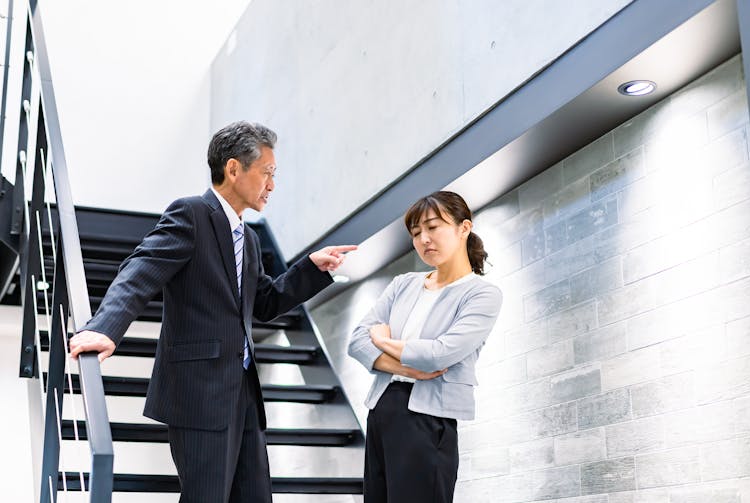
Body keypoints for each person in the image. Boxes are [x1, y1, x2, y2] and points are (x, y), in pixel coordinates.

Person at [69, 121, 356, 503]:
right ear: (234, 169)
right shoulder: (191, 214)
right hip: (199, 393)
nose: (273, 185)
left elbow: (264, 302)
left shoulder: (249, 238)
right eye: (267, 173)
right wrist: (105, 327)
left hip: (243, 395)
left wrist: (310, 270)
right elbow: (139, 272)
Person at [347, 190, 502, 503]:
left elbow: (439, 354)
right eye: (416, 233)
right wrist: (403, 366)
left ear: (464, 228)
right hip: (381, 409)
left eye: (433, 227)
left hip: (428, 416)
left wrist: (382, 340)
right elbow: (356, 341)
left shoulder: (481, 294)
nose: (424, 239)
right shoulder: (403, 283)